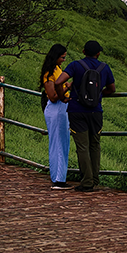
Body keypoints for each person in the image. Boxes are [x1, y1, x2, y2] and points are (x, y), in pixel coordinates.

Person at [54, 40, 115, 192]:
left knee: (82, 147)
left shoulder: (75, 65)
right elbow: (112, 89)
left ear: (83, 51)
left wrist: (63, 97)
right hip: (96, 112)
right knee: (95, 145)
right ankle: (94, 178)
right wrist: (99, 95)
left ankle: (87, 182)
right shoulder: (104, 68)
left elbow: (58, 81)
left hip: (77, 110)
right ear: (98, 53)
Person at [39, 43, 73, 189]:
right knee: (59, 143)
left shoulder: (57, 69)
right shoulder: (50, 73)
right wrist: (66, 87)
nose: (63, 60)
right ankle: (59, 179)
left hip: (60, 108)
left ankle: (57, 176)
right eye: (62, 57)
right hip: (57, 108)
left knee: (60, 143)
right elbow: (53, 96)